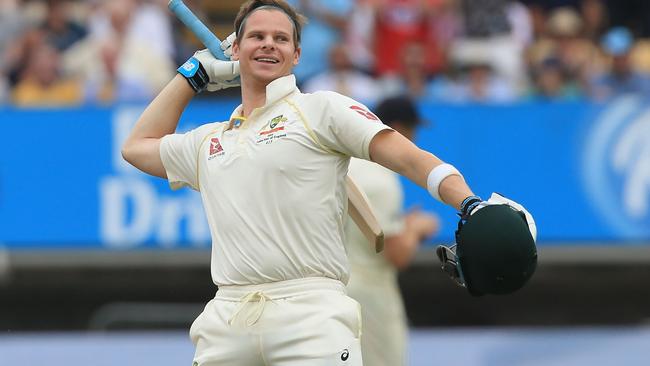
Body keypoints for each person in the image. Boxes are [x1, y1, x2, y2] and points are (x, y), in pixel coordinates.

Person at [121, 1, 526, 364]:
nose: (268, 45)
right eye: (256, 37)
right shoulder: (210, 139)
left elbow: (411, 159)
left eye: (281, 38)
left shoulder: (321, 110)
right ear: (235, 49)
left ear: (296, 54)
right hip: (227, 320)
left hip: (311, 315)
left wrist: (469, 203)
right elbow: (137, 147)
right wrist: (193, 74)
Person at [345, 96, 439, 366]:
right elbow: (397, 255)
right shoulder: (382, 181)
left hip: (332, 291)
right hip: (370, 296)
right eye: (411, 131)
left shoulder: (348, 165)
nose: (414, 140)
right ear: (397, 129)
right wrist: (416, 229)